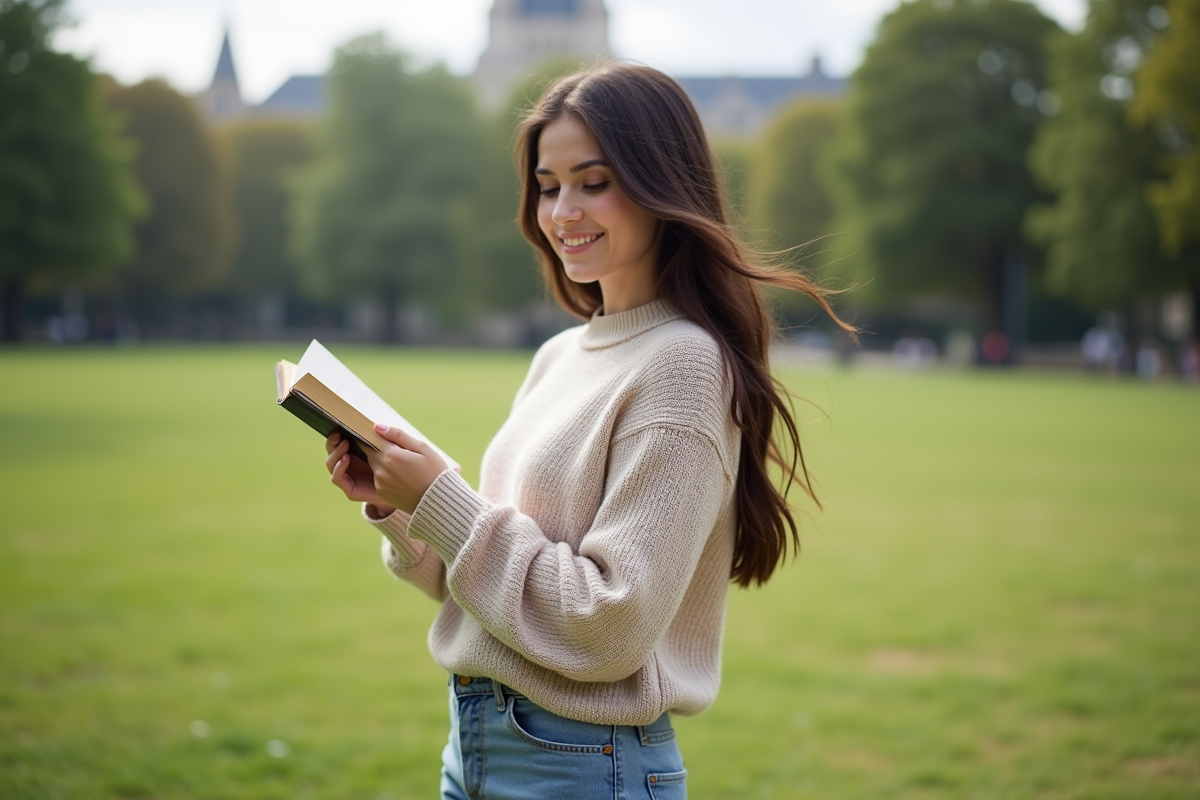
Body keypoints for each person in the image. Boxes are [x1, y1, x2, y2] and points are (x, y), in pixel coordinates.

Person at [321, 62, 855, 799]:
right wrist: (403, 501)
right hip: (473, 748)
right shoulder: (559, 355)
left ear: (660, 183)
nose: (562, 209)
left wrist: (445, 498)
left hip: (581, 767)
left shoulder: (683, 365)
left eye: (593, 181)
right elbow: (483, 585)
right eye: (548, 185)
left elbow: (605, 626)